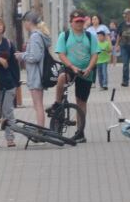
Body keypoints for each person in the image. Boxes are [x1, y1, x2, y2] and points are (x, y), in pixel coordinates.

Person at [47, 9, 99, 143]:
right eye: (76, 22)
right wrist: (71, 66)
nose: (79, 24)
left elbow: (95, 54)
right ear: (71, 23)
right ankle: (57, 103)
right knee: (62, 77)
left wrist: (89, 68)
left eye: (81, 21)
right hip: (70, 68)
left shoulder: (90, 36)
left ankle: (80, 132)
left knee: (81, 102)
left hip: (85, 71)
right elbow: (61, 54)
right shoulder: (64, 35)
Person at [15, 11, 51, 128]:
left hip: (36, 75)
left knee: (38, 105)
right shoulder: (40, 35)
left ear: (28, 22)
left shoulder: (35, 36)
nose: (24, 26)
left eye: (24, 22)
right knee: (38, 105)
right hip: (38, 74)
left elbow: (35, 57)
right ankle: (40, 128)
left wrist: (21, 56)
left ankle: (40, 130)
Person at [0, 17, 19, 148]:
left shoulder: (8, 43)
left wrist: (16, 83)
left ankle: (10, 138)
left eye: (0, 24)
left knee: (8, 112)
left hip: (8, 82)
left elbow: (14, 64)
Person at [86, 14, 109, 86]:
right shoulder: (89, 29)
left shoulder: (103, 27)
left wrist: (109, 47)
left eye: (96, 19)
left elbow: (108, 37)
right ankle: (93, 82)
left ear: (99, 19)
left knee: (101, 67)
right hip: (92, 49)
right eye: (93, 19)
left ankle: (103, 83)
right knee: (93, 66)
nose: (94, 20)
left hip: (102, 50)